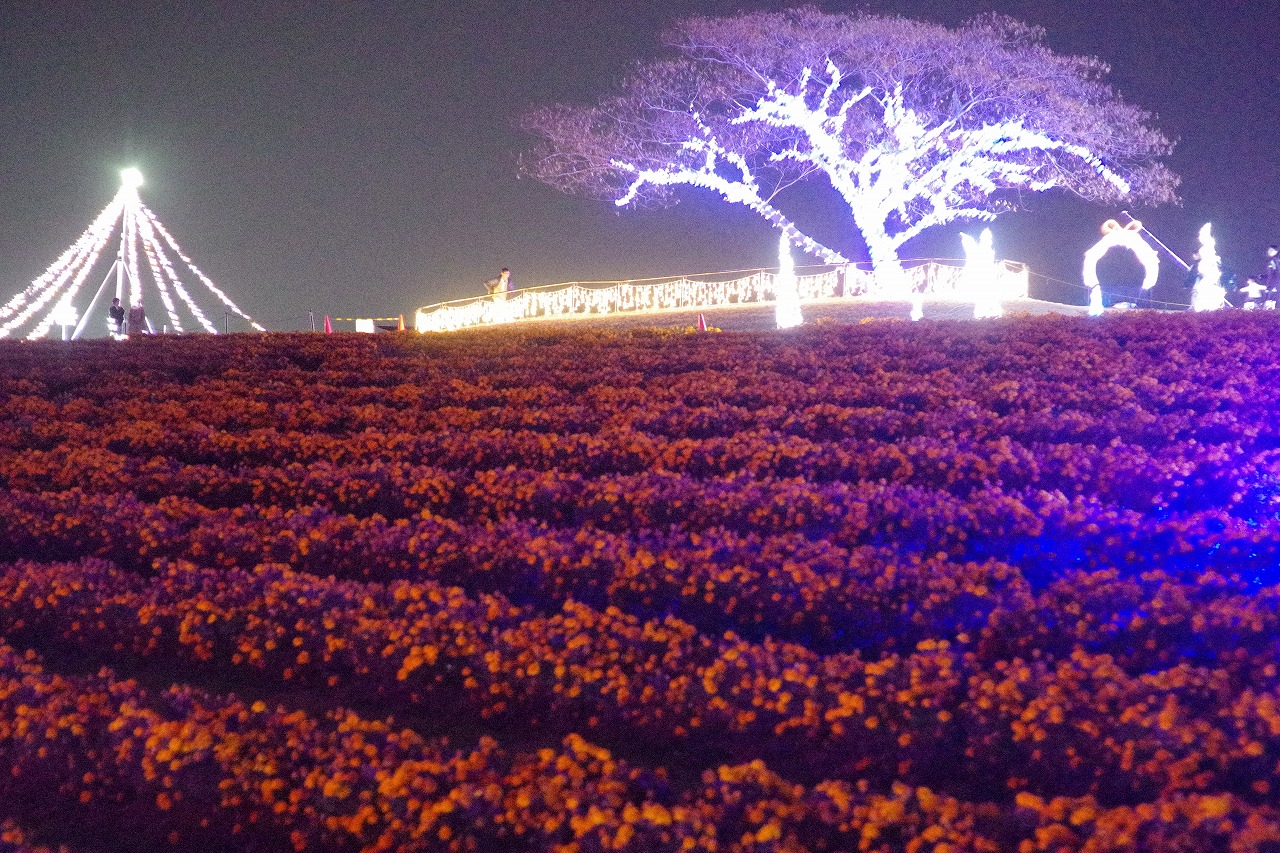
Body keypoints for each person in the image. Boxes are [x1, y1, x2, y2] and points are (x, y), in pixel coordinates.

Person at [1261, 245, 1280, 310]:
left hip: (1274, 285)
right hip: (1273, 285)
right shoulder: (1272, 260)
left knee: (1269, 303)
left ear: (1276, 251)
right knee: (1269, 303)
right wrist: (1263, 276)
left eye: (1271, 250)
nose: (1269, 251)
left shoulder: (1275, 261)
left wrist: (1271, 286)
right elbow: (1272, 273)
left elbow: (1277, 273)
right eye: (1268, 250)